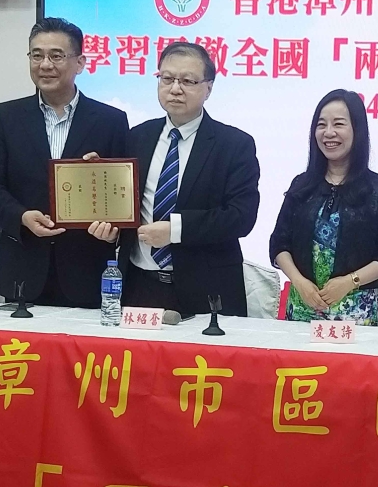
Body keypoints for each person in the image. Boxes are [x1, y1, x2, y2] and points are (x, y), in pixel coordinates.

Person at [91, 42, 260, 317]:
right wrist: (110, 223)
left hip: (207, 290)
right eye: (167, 78)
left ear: (209, 88)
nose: (175, 89)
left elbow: (241, 217)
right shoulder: (137, 137)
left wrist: (175, 230)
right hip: (139, 285)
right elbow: (124, 205)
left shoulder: (234, 145)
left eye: (188, 81)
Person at [0, 17, 129, 307]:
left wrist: (112, 224)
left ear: (80, 63)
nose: (45, 65)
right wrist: (22, 217)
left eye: (56, 56)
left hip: (87, 270)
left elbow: (122, 194)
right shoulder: (5, 117)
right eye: (37, 55)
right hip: (22, 267)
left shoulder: (111, 121)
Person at [269, 89, 378, 325]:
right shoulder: (302, 185)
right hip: (302, 310)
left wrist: (349, 282)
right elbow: (279, 244)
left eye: (339, 124)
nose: (329, 132)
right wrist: (299, 282)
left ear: (357, 130)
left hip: (357, 315)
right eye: (321, 125)